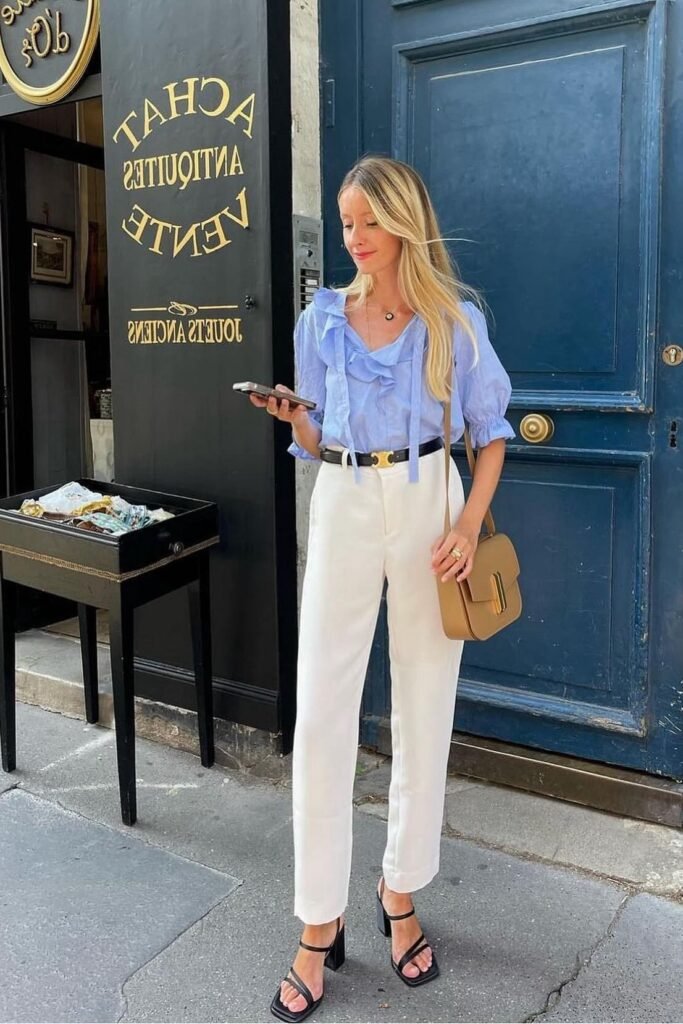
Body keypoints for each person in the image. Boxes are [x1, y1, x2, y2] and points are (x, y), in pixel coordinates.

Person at [250, 155, 514, 1022]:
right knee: (322, 709)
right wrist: (299, 420)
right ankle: (316, 920)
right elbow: (321, 438)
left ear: (403, 223)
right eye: (345, 225)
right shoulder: (321, 318)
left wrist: (469, 524)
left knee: (423, 704)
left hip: (432, 499)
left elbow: (491, 432)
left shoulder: (454, 319)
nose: (355, 241)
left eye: (368, 223)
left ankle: (399, 891)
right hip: (347, 498)